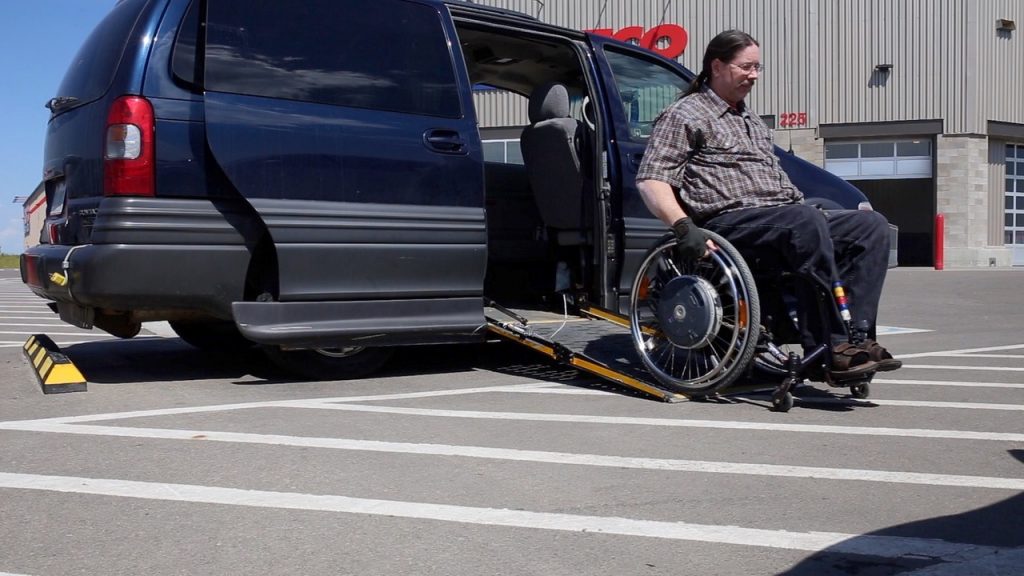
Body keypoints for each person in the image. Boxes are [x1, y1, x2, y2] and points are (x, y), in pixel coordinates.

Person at [635, 29, 901, 377]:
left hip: (781, 216)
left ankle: (859, 338)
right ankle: (830, 344)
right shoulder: (685, 114)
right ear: (717, 66)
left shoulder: (750, 120)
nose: (754, 76)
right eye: (746, 67)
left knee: (871, 226)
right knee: (805, 222)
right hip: (730, 221)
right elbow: (651, 179)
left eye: (758, 67)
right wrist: (683, 227)